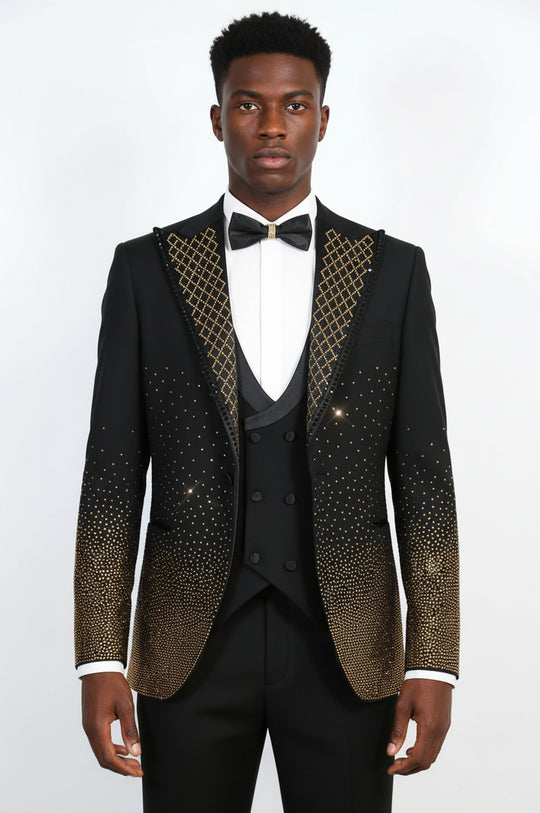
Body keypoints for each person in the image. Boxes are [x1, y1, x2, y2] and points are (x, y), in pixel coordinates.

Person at [74, 11, 460, 813]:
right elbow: (111, 475)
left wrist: (434, 659)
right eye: (249, 104)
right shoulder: (145, 270)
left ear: (323, 118)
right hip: (188, 648)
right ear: (219, 119)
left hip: (348, 647)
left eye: (295, 104)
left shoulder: (394, 272)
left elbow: (425, 480)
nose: (272, 125)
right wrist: (98, 655)